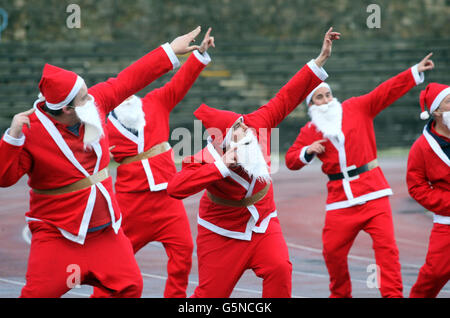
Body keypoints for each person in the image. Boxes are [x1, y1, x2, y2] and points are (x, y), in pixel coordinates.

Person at [0, 27, 204, 298]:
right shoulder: (31, 131)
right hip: (58, 235)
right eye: (84, 96)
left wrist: (170, 50)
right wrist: (12, 137)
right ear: (66, 109)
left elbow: (128, 79)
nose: (91, 98)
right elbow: (5, 178)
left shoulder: (94, 103)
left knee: (130, 287)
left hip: (105, 233)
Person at [167, 28, 340, 298]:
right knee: (209, 296)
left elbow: (287, 96)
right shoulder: (204, 158)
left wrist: (321, 59)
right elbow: (175, 188)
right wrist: (221, 166)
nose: (245, 130)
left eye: (242, 123)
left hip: (264, 221)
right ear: (221, 141)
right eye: (237, 129)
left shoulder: (256, 124)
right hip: (220, 233)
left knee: (280, 269)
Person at [284, 53, 434, 298]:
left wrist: (413, 72)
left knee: (387, 250)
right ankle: (340, 294)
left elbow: (385, 92)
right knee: (332, 253)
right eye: (318, 98)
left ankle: (392, 295)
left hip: (374, 193)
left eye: (328, 95)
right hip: (340, 201)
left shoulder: (356, 107)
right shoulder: (310, 130)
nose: (325, 100)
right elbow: (291, 160)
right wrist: (306, 151)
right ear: (311, 105)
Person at [92, 27, 214, 298]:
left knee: (183, 252)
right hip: (131, 201)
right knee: (116, 260)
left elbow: (179, 83)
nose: (128, 95)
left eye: (130, 91)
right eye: (121, 94)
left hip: (168, 197)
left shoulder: (155, 102)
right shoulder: (102, 124)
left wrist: (200, 55)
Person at [407, 82, 450, 298]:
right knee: (432, 276)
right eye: (449, 102)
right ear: (436, 112)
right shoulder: (421, 148)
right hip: (447, 225)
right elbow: (416, 187)